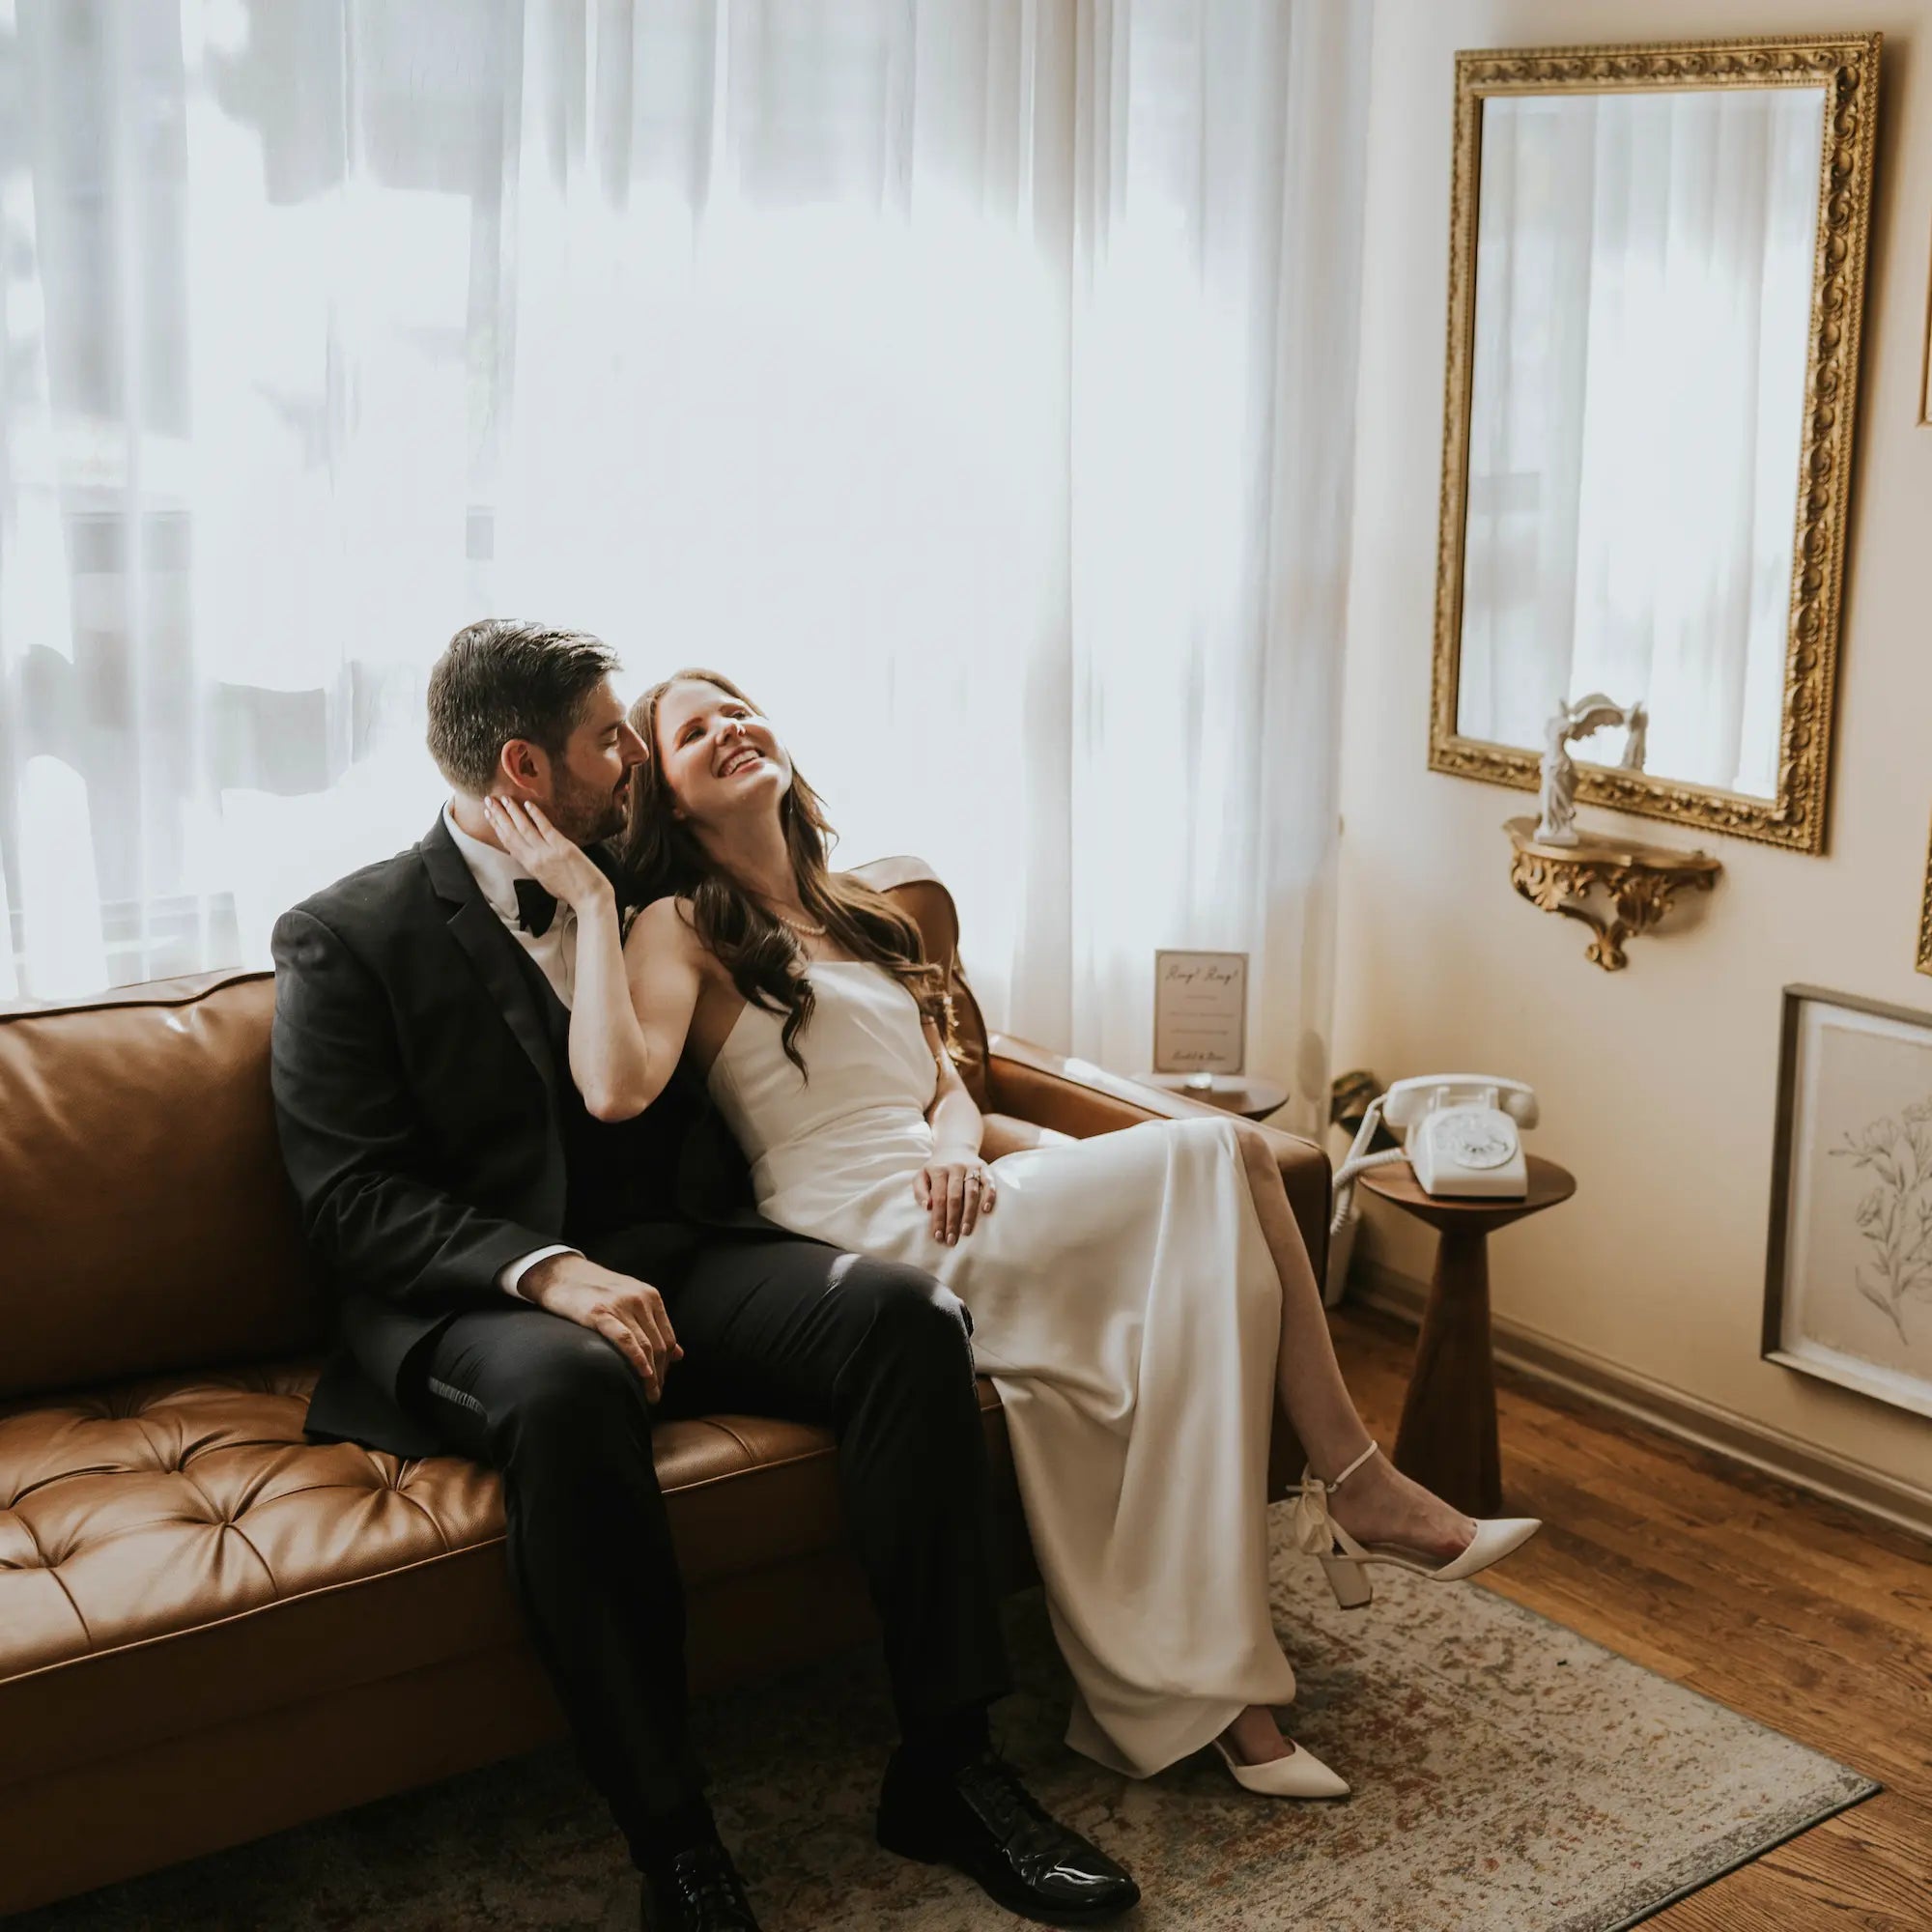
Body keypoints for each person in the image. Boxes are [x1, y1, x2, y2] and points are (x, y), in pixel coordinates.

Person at [486, 665, 1543, 1810]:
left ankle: (1231, 1700)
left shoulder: (856, 910)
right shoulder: (675, 925)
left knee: (1200, 1289)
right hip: (855, 1224)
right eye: (693, 732)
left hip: (947, 1186)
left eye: (739, 707)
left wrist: (953, 1143)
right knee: (1228, 1155)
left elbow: (942, 1083)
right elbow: (611, 1088)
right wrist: (590, 904)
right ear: (671, 798)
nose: (730, 728)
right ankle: (1357, 1481)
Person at [269, 621, 1142, 1932]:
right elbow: (351, 1196)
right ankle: (676, 1844)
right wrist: (547, 1271)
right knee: (571, 1393)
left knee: (904, 1319)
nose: (632, 759)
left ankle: (952, 1768)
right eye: (610, 738)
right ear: (524, 766)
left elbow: (834, 976)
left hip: (688, 1257)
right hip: (481, 1304)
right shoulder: (348, 934)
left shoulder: (653, 884)